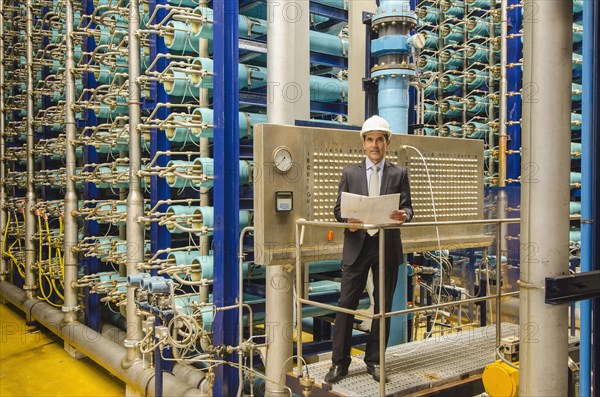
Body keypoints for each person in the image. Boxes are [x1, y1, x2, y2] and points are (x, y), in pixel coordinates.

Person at [327, 115, 413, 383]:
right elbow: (338, 209)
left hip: (386, 244)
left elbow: (409, 207)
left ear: (388, 143)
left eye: (380, 139)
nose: (375, 145)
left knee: (383, 306)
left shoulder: (399, 173)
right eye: (370, 140)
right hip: (357, 244)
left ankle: (375, 361)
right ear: (363, 143)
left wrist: (405, 215)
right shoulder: (350, 174)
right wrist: (347, 221)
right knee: (346, 305)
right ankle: (339, 363)